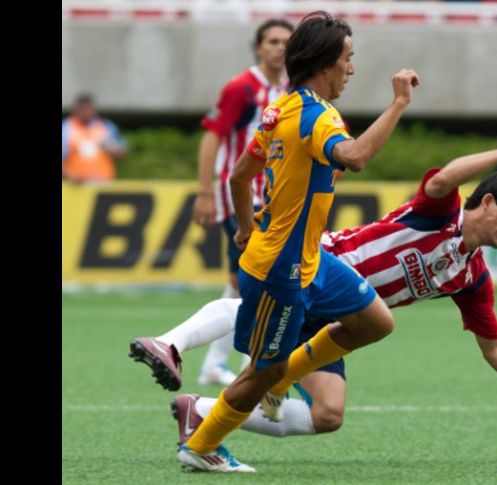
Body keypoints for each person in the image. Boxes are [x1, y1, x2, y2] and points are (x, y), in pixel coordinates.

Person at [130, 118, 497, 453]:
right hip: (324, 264)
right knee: (260, 318)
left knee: (328, 416)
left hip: (339, 321)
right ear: (488, 201)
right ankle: (171, 343)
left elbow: (495, 349)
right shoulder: (440, 213)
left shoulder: (471, 276)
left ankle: (201, 410)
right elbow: (448, 175)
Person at [140, 11, 419, 472]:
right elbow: (356, 157)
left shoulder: (283, 107)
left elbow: (240, 176)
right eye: (348, 58)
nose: (352, 69)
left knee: (375, 323)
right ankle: (202, 445)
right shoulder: (315, 116)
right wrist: (399, 104)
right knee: (262, 372)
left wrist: (247, 228)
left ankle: (280, 375)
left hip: (310, 257)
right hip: (281, 269)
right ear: (326, 61)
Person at [191, 19, 294, 388]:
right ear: (258, 47)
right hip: (236, 194)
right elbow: (212, 137)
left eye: (286, 41)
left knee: (246, 279)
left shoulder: (290, 90)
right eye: (272, 41)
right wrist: (205, 192)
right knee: (247, 277)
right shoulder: (242, 87)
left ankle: (223, 363)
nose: (280, 47)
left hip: (269, 198)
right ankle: (237, 361)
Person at [62, 93, 127, 182]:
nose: (86, 112)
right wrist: (69, 175)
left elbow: (122, 152)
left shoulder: (106, 126)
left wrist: (111, 148)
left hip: (104, 183)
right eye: (83, 109)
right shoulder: (66, 127)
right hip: (76, 185)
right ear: (76, 109)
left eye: (89, 109)